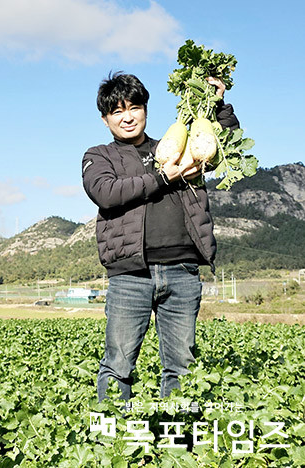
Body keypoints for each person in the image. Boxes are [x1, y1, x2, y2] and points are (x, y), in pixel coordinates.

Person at [81, 72, 240, 401]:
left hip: (182, 271)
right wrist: (162, 177)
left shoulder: (175, 145)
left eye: (134, 107)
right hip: (131, 275)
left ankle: (178, 444)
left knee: (182, 365)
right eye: (117, 111)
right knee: (118, 364)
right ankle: (110, 446)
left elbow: (217, 142)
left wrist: (216, 102)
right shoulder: (99, 156)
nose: (127, 117)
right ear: (105, 119)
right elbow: (107, 193)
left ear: (145, 109)